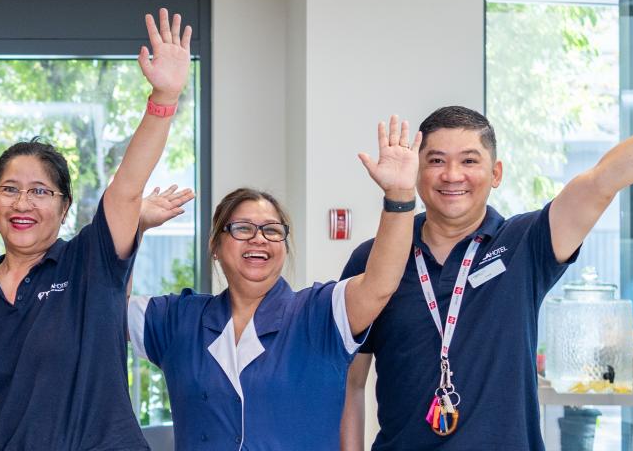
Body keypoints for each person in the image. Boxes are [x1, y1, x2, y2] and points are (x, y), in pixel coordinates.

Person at [338, 28, 633, 450]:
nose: (453, 175)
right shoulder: (374, 259)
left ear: (496, 174)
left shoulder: (525, 243)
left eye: (470, 160)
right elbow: (349, 382)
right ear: (417, 172)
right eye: (436, 161)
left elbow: (604, 180)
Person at [0, 7, 192, 450]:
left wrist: (163, 100)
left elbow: (125, 190)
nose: (23, 203)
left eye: (41, 192)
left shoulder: (90, 262)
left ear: (65, 208)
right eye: (9, 189)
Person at [128, 117, 420, 451]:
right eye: (242, 229)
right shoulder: (177, 319)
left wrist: (399, 196)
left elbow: (381, 284)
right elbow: (108, 313)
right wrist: (133, 229)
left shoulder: (321, 314)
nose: (259, 239)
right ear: (215, 245)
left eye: (271, 230)